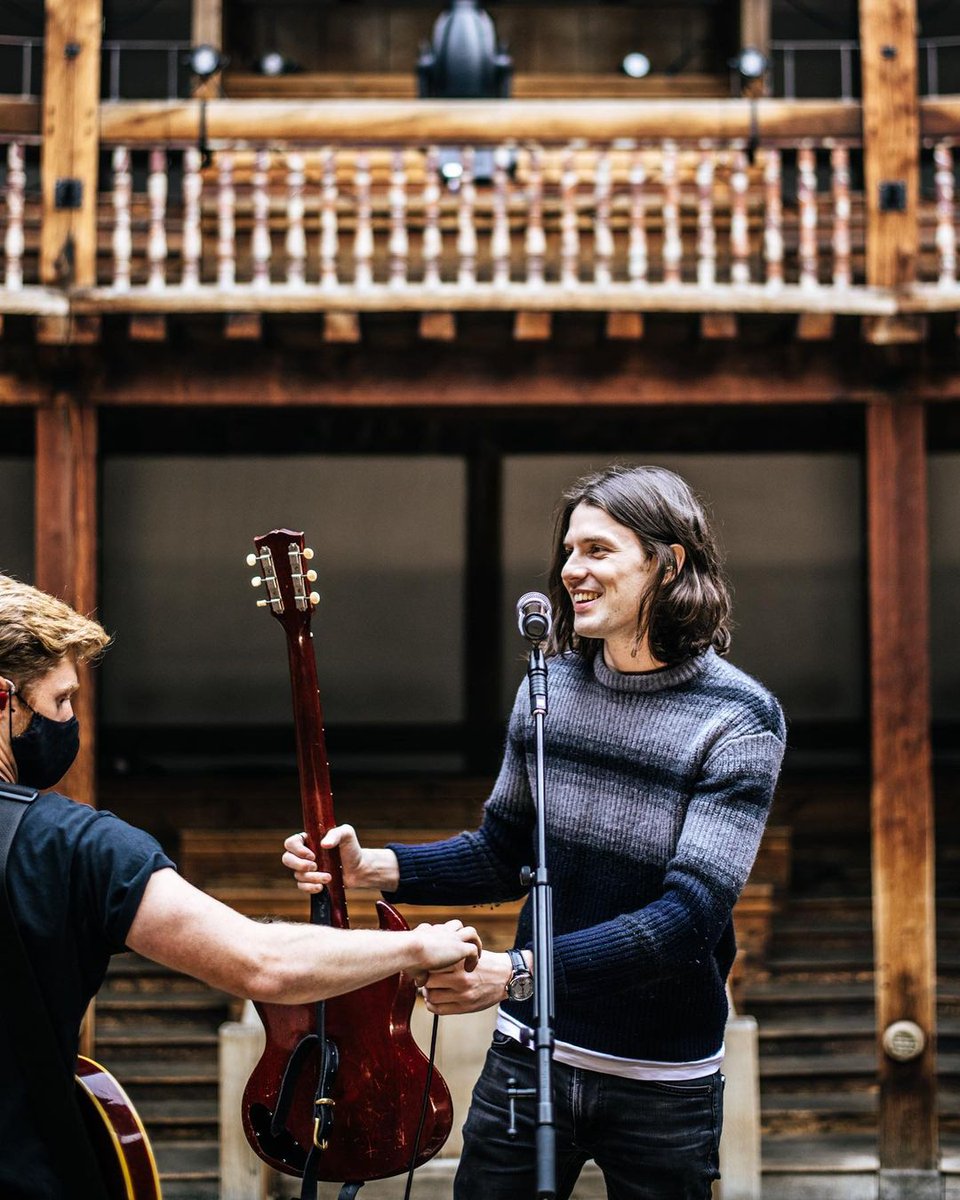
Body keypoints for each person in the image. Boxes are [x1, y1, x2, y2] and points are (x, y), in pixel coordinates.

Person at [283, 463, 787, 1200]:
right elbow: (503, 852)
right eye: (568, 551)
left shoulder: (738, 719)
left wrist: (516, 972)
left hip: (661, 1081)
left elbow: (686, 921)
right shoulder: (549, 690)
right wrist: (372, 867)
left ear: (668, 562)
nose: (571, 570)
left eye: (598, 550)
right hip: (528, 1059)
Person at [0, 572, 482, 1200]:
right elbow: (259, 962)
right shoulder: (73, 845)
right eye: (61, 700)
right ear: (4, 701)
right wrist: (416, 947)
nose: (70, 719)